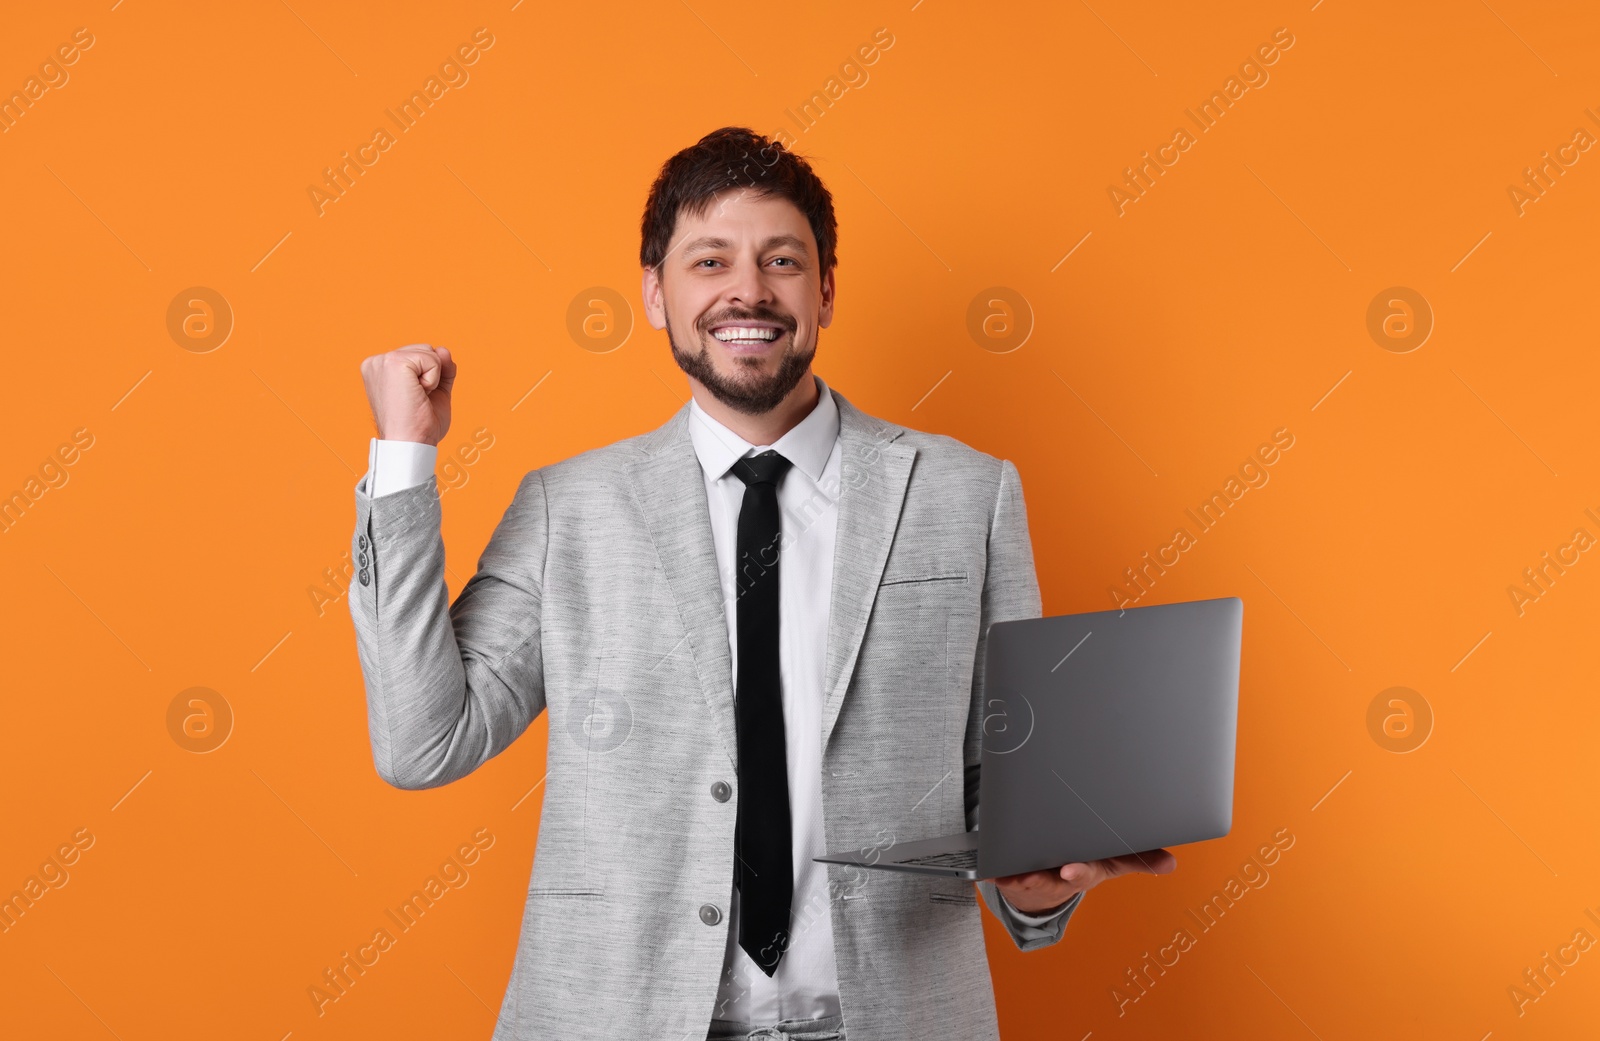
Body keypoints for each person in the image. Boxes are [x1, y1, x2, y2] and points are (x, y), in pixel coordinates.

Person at [349, 126, 1175, 1041]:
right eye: (710, 260)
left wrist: (1037, 887)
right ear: (656, 294)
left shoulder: (966, 493)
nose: (748, 289)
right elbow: (423, 741)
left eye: (781, 260)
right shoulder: (567, 507)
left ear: (823, 290)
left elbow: (1004, 785)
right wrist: (403, 460)